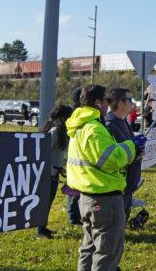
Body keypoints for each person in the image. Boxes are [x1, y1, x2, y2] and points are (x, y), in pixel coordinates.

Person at [66, 85, 145, 271]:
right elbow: (110, 159)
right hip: (104, 198)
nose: (108, 105)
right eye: (106, 101)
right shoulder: (94, 128)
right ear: (97, 103)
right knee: (106, 253)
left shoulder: (80, 125)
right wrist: (132, 146)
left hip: (88, 196)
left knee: (89, 247)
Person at [37, 104, 73, 238]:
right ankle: (40, 231)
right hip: (48, 173)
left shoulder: (60, 132)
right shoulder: (55, 131)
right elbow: (41, 153)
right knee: (45, 201)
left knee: (49, 201)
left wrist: (59, 168)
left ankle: (43, 227)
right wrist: (51, 168)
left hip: (54, 172)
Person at [104, 88, 141, 221]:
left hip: (129, 180)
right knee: (117, 219)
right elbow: (115, 155)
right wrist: (135, 150)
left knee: (124, 213)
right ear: (120, 104)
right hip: (119, 182)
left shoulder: (123, 120)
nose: (133, 103)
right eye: (130, 100)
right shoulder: (109, 124)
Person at [66, 87, 83, 226]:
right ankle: (73, 216)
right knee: (73, 191)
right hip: (74, 157)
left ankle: (75, 215)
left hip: (76, 157)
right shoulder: (75, 114)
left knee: (76, 190)